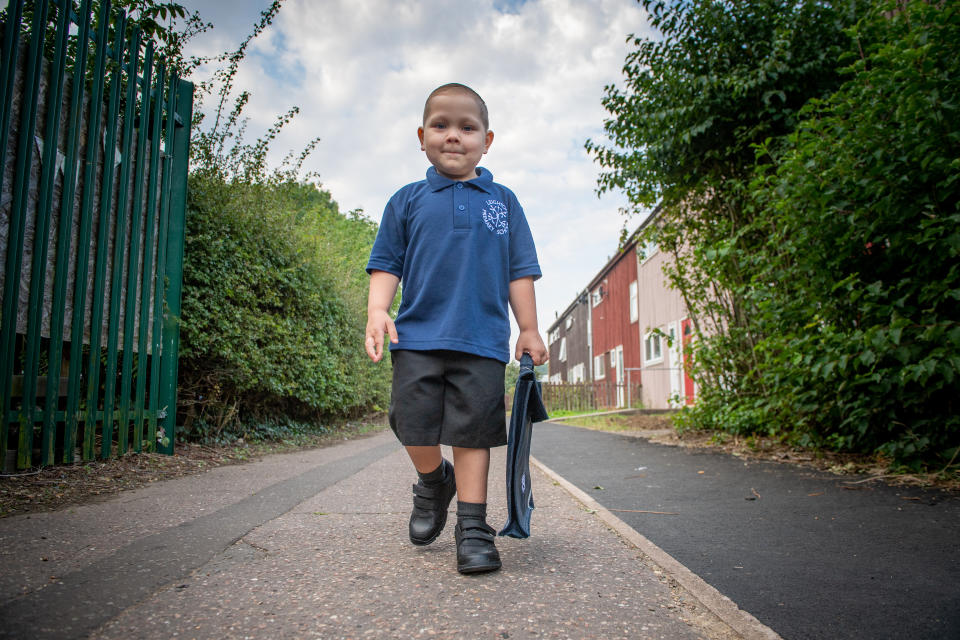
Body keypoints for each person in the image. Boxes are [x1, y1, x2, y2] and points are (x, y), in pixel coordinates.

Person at [364, 83, 548, 574]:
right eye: (441, 126)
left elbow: (520, 270)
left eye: (467, 128)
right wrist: (377, 310)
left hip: (481, 341)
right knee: (411, 424)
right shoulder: (407, 200)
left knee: (473, 434)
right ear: (422, 136)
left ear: (487, 141)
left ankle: (473, 528)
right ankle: (433, 481)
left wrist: (527, 328)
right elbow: (386, 263)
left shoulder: (503, 202)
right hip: (417, 336)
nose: (453, 136)